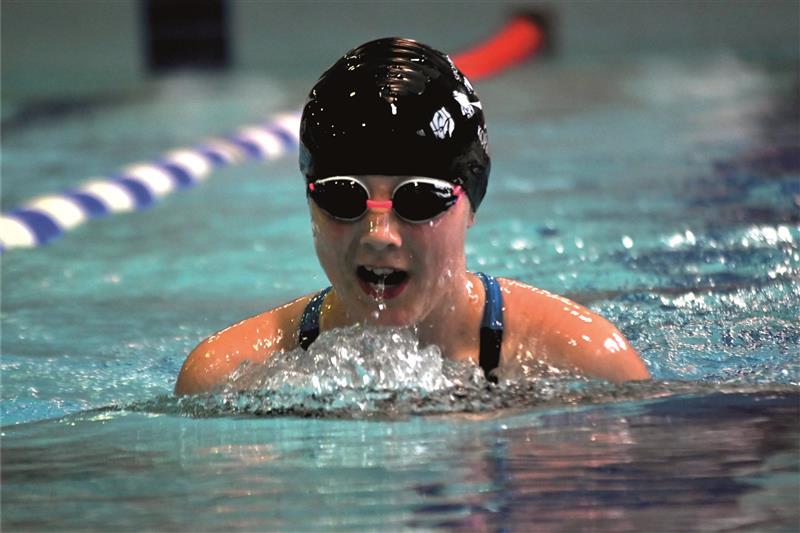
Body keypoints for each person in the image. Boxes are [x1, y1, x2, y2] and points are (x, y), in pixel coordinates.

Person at [175, 38, 649, 395]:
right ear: (309, 202)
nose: (379, 235)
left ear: (472, 204)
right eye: (344, 198)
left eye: (419, 199)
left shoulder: (587, 366)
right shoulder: (226, 376)